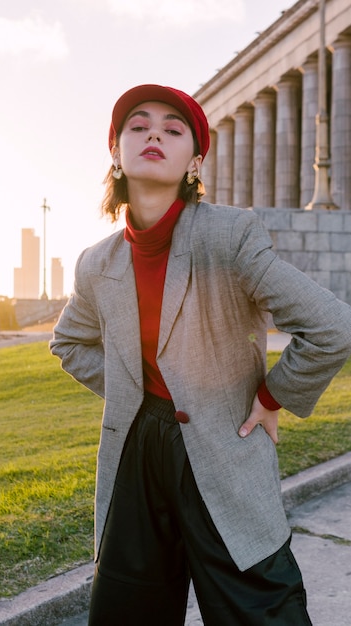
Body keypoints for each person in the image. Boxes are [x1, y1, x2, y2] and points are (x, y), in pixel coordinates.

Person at [50, 84, 351, 625]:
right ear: (116, 152)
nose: (154, 135)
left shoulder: (229, 236)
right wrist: (130, 389)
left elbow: (331, 327)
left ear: (195, 160)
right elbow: (69, 343)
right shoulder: (96, 262)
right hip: (135, 455)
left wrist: (271, 395)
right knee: (128, 610)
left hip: (222, 445)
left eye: (172, 128)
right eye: (137, 126)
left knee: (258, 610)